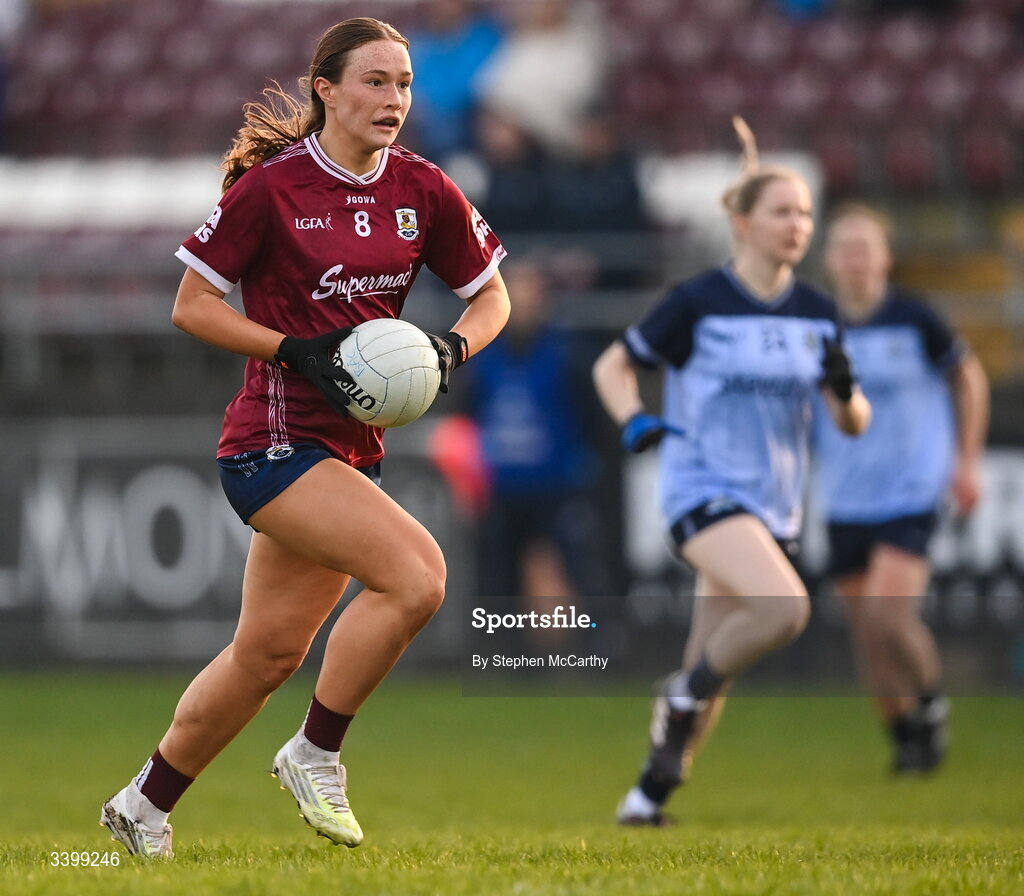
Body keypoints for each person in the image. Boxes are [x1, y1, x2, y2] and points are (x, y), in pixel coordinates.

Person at [99, 17, 509, 858]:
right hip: (273, 443)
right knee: (418, 578)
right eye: (374, 82)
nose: (393, 99)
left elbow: (493, 296)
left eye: (402, 83)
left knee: (266, 656)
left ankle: (143, 806)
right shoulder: (273, 189)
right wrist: (295, 350)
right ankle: (316, 752)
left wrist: (451, 347)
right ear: (326, 89)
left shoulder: (424, 188)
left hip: (349, 449)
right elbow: (192, 306)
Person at [592, 118, 871, 826]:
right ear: (743, 221)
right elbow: (613, 363)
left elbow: (852, 422)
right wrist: (632, 416)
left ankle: (646, 798)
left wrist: (845, 391)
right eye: (782, 211)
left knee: (712, 670)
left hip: (773, 506)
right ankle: (680, 691)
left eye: (806, 213)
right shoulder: (698, 301)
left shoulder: (816, 313)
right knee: (783, 610)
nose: (798, 224)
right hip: (702, 489)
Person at [814, 202, 989, 773]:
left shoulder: (915, 317)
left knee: (889, 618)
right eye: (845, 248)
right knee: (867, 634)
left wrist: (966, 461)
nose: (856, 260)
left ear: (886, 257)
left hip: (911, 489)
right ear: (829, 259)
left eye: (866, 247)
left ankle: (932, 704)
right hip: (845, 494)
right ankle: (904, 734)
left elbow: (969, 378)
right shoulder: (816, 324)